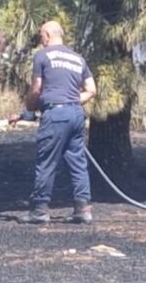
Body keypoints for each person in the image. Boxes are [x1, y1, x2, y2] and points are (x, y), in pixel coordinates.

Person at [9, 21, 97, 224]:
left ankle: (39, 210)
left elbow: (37, 87)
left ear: (48, 35)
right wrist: (72, 101)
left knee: (46, 161)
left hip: (55, 116)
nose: (41, 40)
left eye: (41, 36)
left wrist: (29, 107)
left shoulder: (43, 56)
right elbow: (92, 89)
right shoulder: (77, 58)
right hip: (76, 114)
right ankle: (83, 209)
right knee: (78, 162)